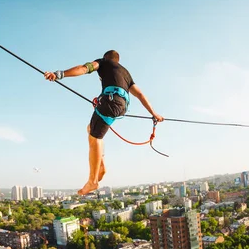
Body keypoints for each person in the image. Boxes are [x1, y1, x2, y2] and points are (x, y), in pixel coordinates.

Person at [45, 50, 164, 195]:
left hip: (110, 102)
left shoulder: (103, 62)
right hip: (121, 106)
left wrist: (60, 74)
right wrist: (154, 113)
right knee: (91, 129)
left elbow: (84, 68)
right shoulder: (126, 73)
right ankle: (100, 163)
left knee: (94, 138)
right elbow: (139, 94)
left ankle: (93, 181)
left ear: (106, 58)